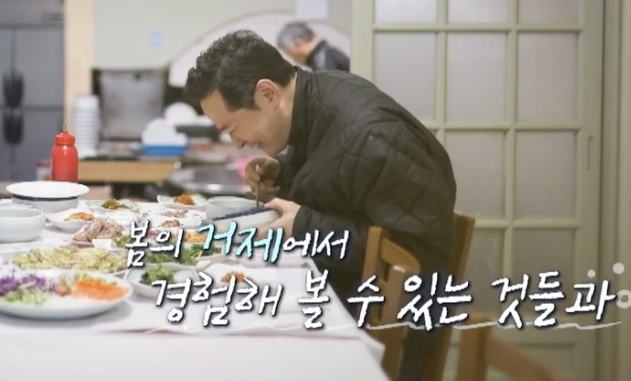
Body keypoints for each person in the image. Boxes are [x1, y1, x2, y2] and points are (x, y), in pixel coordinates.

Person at [184, 30, 456, 381]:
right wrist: (282, 172)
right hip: (339, 290)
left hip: (386, 332)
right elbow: (337, 174)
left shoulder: (371, 133)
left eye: (232, 128)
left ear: (268, 94)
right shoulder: (314, 96)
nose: (236, 142)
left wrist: (305, 225)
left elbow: (418, 253)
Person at [277, 20, 350, 72]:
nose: (293, 59)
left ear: (298, 43)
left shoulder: (322, 61)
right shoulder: (327, 53)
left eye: (290, 53)